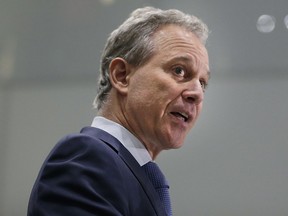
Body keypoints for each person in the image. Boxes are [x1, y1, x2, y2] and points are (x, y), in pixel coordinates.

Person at [27, 6, 210, 216]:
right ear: (122, 76)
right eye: (179, 70)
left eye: (203, 83)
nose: (197, 93)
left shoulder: (136, 173)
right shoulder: (87, 158)